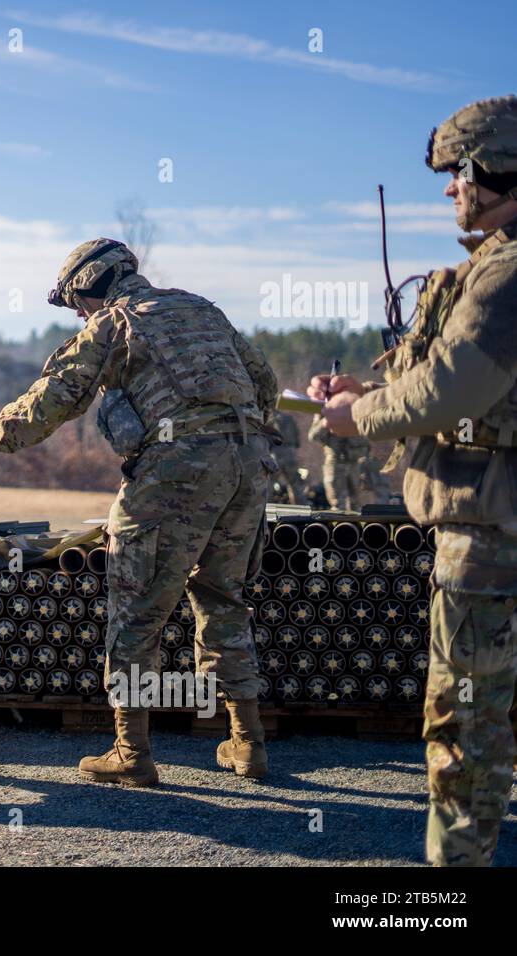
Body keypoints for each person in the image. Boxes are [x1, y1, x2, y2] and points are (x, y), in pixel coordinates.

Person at [0, 239, 278, 786]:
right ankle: (247, 743)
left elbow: (49, 403)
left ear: (90, 286)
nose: (78, 314)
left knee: (136, 606)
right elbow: (265, 384)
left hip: (175, 467)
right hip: (250, 463)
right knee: (221, 597)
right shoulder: (200, 308)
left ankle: (131, 753)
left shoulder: (113, 324)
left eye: (76, 304)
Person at [313, 95, 517, 866]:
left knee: (464, 726)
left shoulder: (506, 272)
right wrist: (367, 397)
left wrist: (358, 421)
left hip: (489, 536)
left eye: (459, 172)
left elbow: (456, 390)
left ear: (501, 170)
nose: (449, 189)